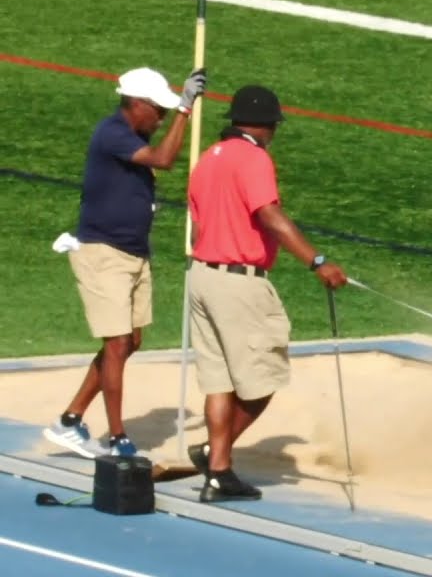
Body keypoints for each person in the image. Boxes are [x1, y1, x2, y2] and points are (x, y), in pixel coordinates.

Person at [186, 85, 347, 503]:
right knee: (264, 378)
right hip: (239, 282)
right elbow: (269, 215)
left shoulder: (208, 158)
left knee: (219, 382)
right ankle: (215, 459)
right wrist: (317, 261)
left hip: (202, 275)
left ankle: (217, 469)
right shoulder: (254, 157)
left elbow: (201, 221)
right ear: (265, 124)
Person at [44, 67, 205, 459]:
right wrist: (185, 108)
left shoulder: (133, 133)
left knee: (130, 341)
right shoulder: (113, 133)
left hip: (133, 253)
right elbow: (165, 159)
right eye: (159, 110)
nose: (162, 117)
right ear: (136, 105)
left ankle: (70, 421)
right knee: (116, 343)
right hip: (104, 253)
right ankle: (118, 439)